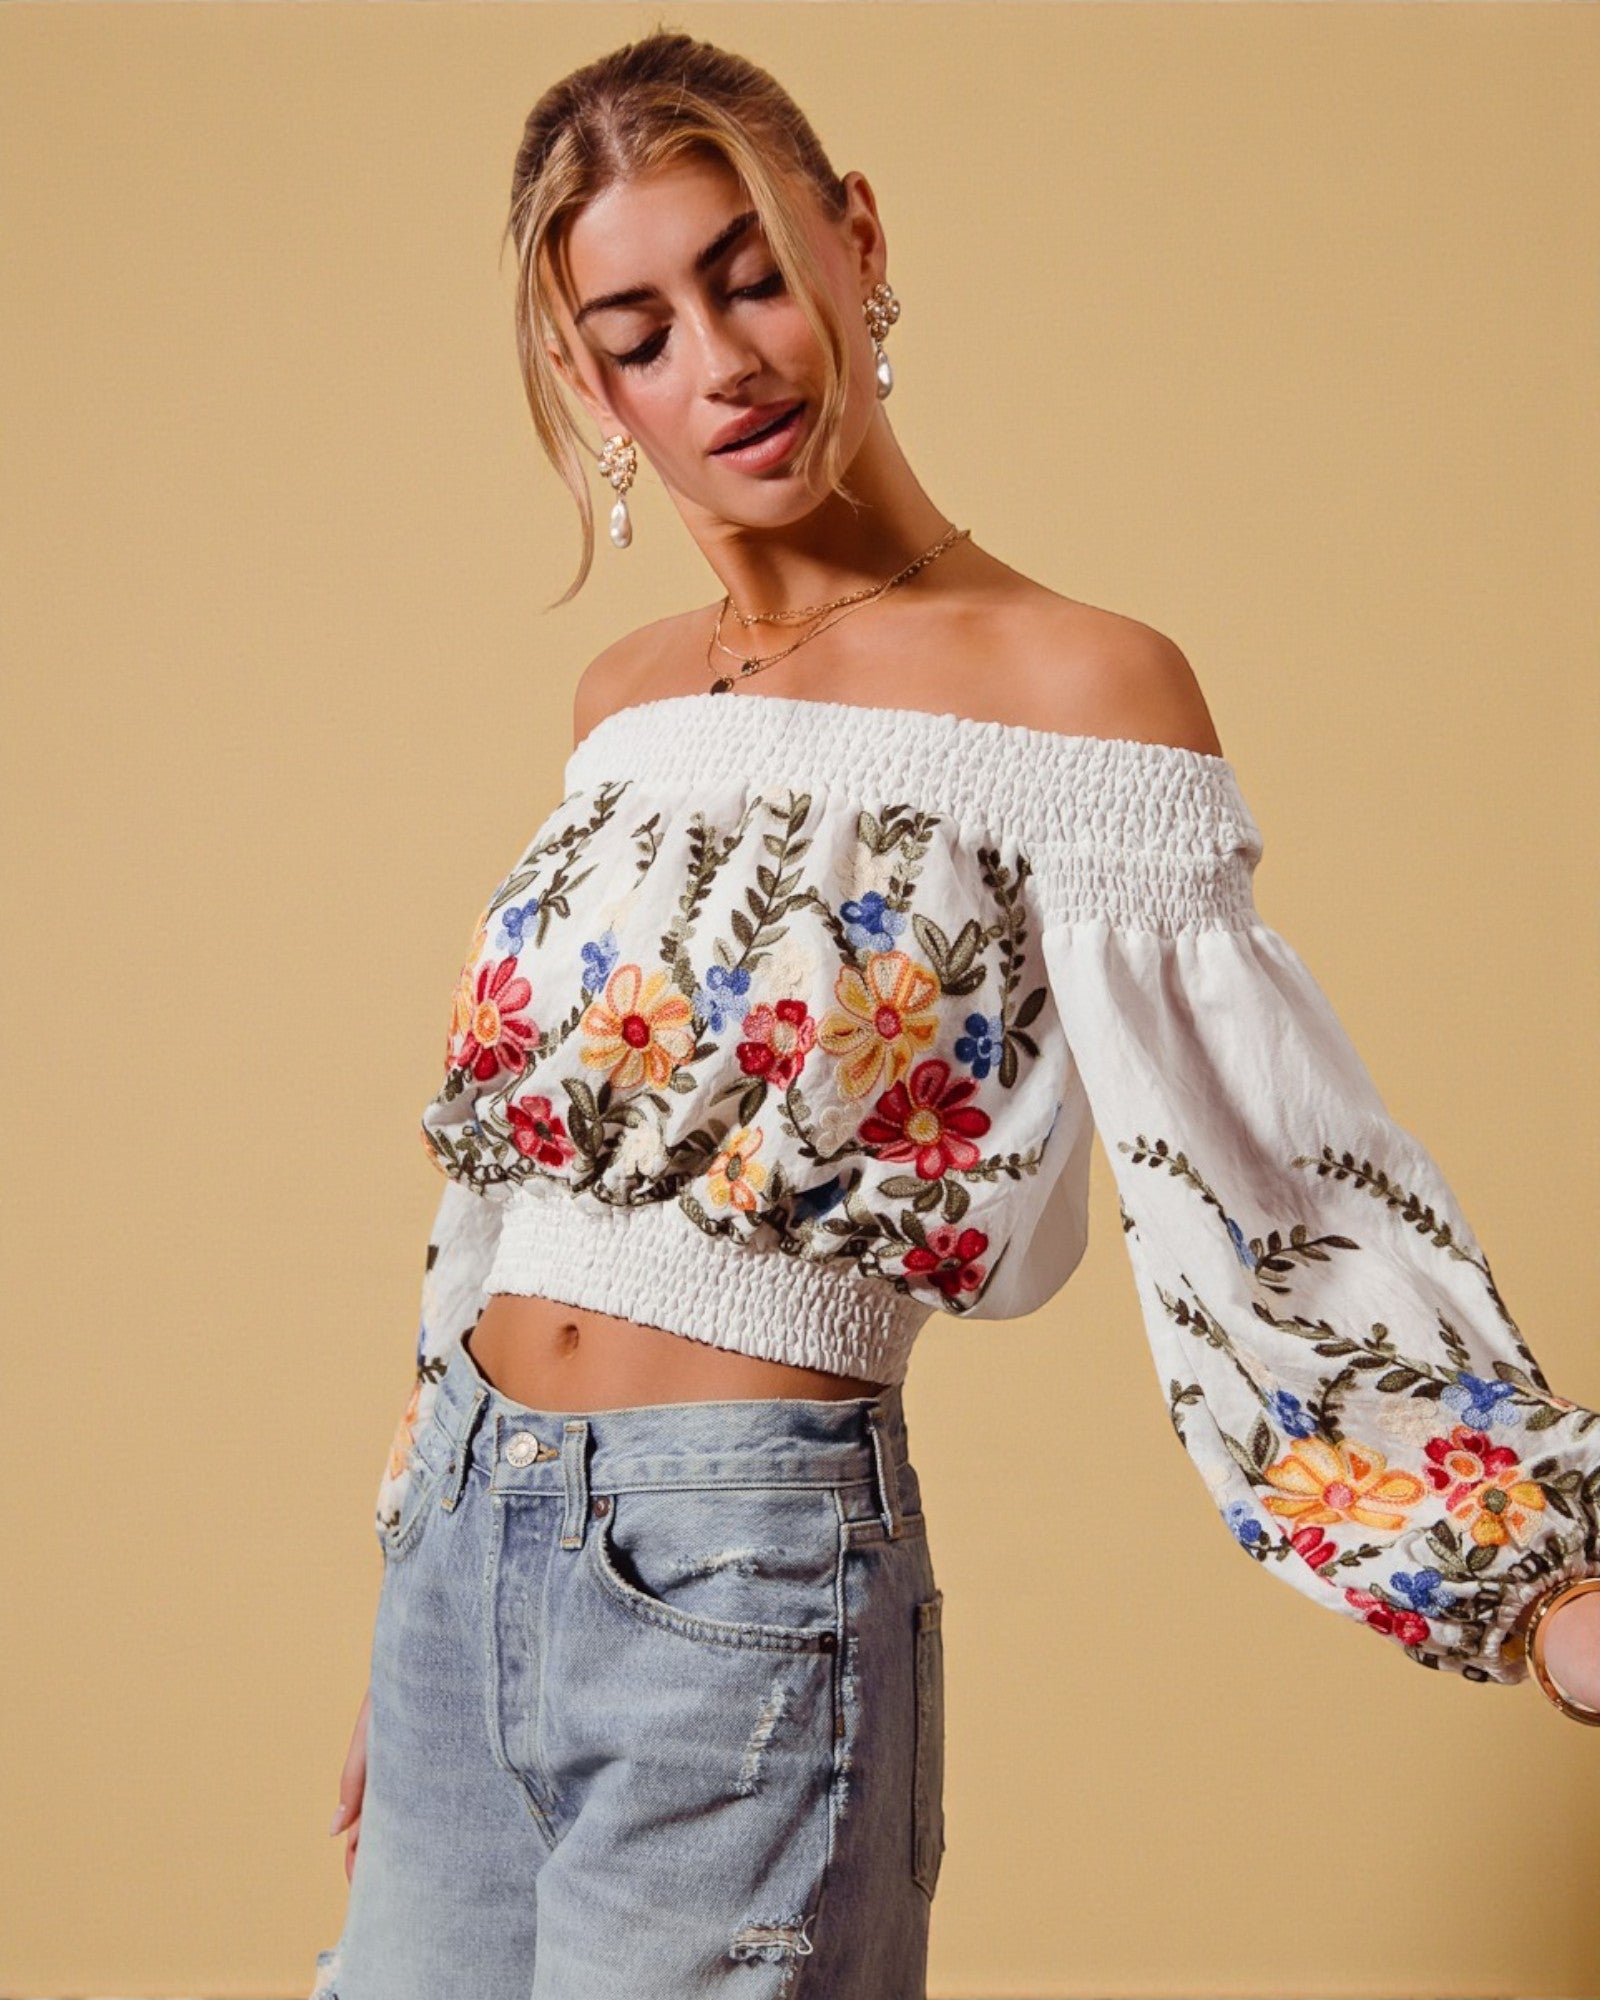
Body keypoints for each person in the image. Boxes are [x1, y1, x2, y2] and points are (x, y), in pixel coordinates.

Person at [312, 29, 1600, 2000]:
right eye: (639, 326)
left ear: (853, 241)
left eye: (749, 271)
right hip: (468, 1567)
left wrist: (1542, 1583)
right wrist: (434, 1597)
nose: (722, 362)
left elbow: (1267, 1196)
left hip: (738, 1582)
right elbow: (497, 1176)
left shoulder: (1074, 690)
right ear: (583, 380)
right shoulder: (623, 706)